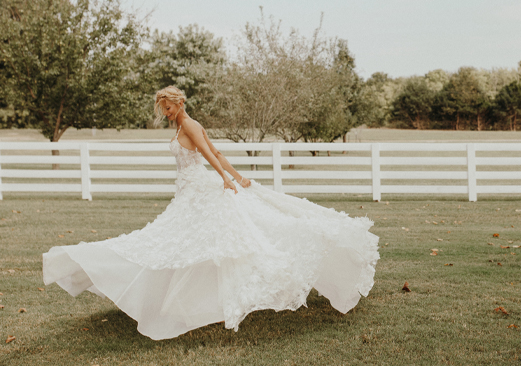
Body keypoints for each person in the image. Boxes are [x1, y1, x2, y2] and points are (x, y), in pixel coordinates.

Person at [43, 86, 379, 340]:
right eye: (164, 108)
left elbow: (208, 153)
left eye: (170, 107)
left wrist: (226, 179)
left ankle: (203, 304)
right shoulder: (181, 126)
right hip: (188, 192)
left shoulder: (189, 125)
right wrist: (238, 175)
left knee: (194, 243)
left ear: (181, 103)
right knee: (178, 243)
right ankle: (188, 302)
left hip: (201, 190)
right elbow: (217, 150)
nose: (167, 112)